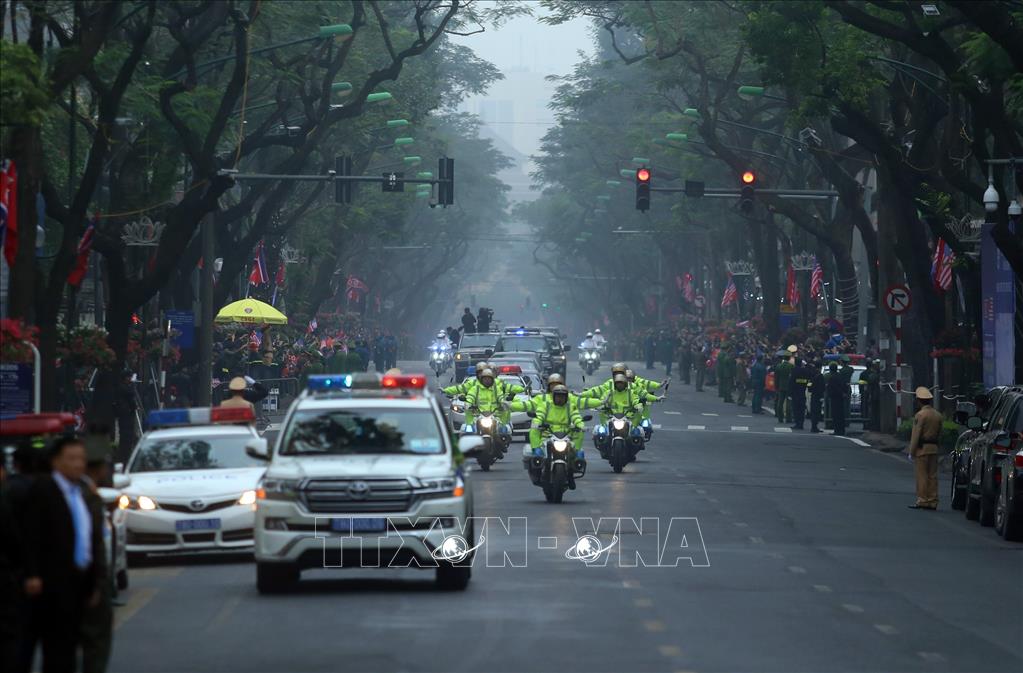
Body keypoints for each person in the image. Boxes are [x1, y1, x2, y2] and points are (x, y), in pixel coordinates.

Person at [22, 437, 107, 673]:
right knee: (56, 650)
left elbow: (86, 540)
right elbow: (31, 535)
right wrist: (33, 574)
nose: (78, 464)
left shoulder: (79, 492)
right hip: (51, 583)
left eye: (81, 459)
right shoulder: (43, 490)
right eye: (71, 459)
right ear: (56, 461)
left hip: (76, 582)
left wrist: (91, 584)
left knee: (69, 648)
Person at [907, 386, 942, 510]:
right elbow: (939, 433)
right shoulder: (937, 415)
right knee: (933, 476)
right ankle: (933, 500)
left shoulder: (920, 415)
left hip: (922, 449)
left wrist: (911, 451)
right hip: (934, 448)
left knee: (922, 476)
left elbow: (916, 435)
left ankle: (922, 500)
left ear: (919, 400)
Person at [825, 362, 849, 436]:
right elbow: (845, 386)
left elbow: (831, 388)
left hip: (835, 397)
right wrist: (844, 393)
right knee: (841, 415)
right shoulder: (841, 376)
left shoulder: (832, 378)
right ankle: (841, 430)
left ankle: (837, 430)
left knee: (835, 415)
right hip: (841, 398)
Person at [790, 358, 812, 430]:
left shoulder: (794, 370)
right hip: (803, 392)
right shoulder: (805, 371)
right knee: (802, 409)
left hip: (795, 392)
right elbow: (809, 379)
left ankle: (797, 423)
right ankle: (801, 423)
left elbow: (791, 382)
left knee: (796, 409)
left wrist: (790, 393)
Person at [773, 353, 793, 424]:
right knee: (789, 402)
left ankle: (780, 417)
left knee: (780, 402)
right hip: (789, 387)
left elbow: (776, 377)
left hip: (780, 386)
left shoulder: (779, 366)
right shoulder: (791, 366)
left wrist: (776, 386)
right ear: (789, 358)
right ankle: (788, 418)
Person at [808, 361, 825, 433]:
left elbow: (809, 384)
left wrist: (810, 389)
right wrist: (822, 396)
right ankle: (814, 427)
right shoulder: (820, 376)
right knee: (817, 411)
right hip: (818, 396)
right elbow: (822, 387)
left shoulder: (812, 374)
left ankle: (813, 426)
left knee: (813, 411)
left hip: (813, 395)